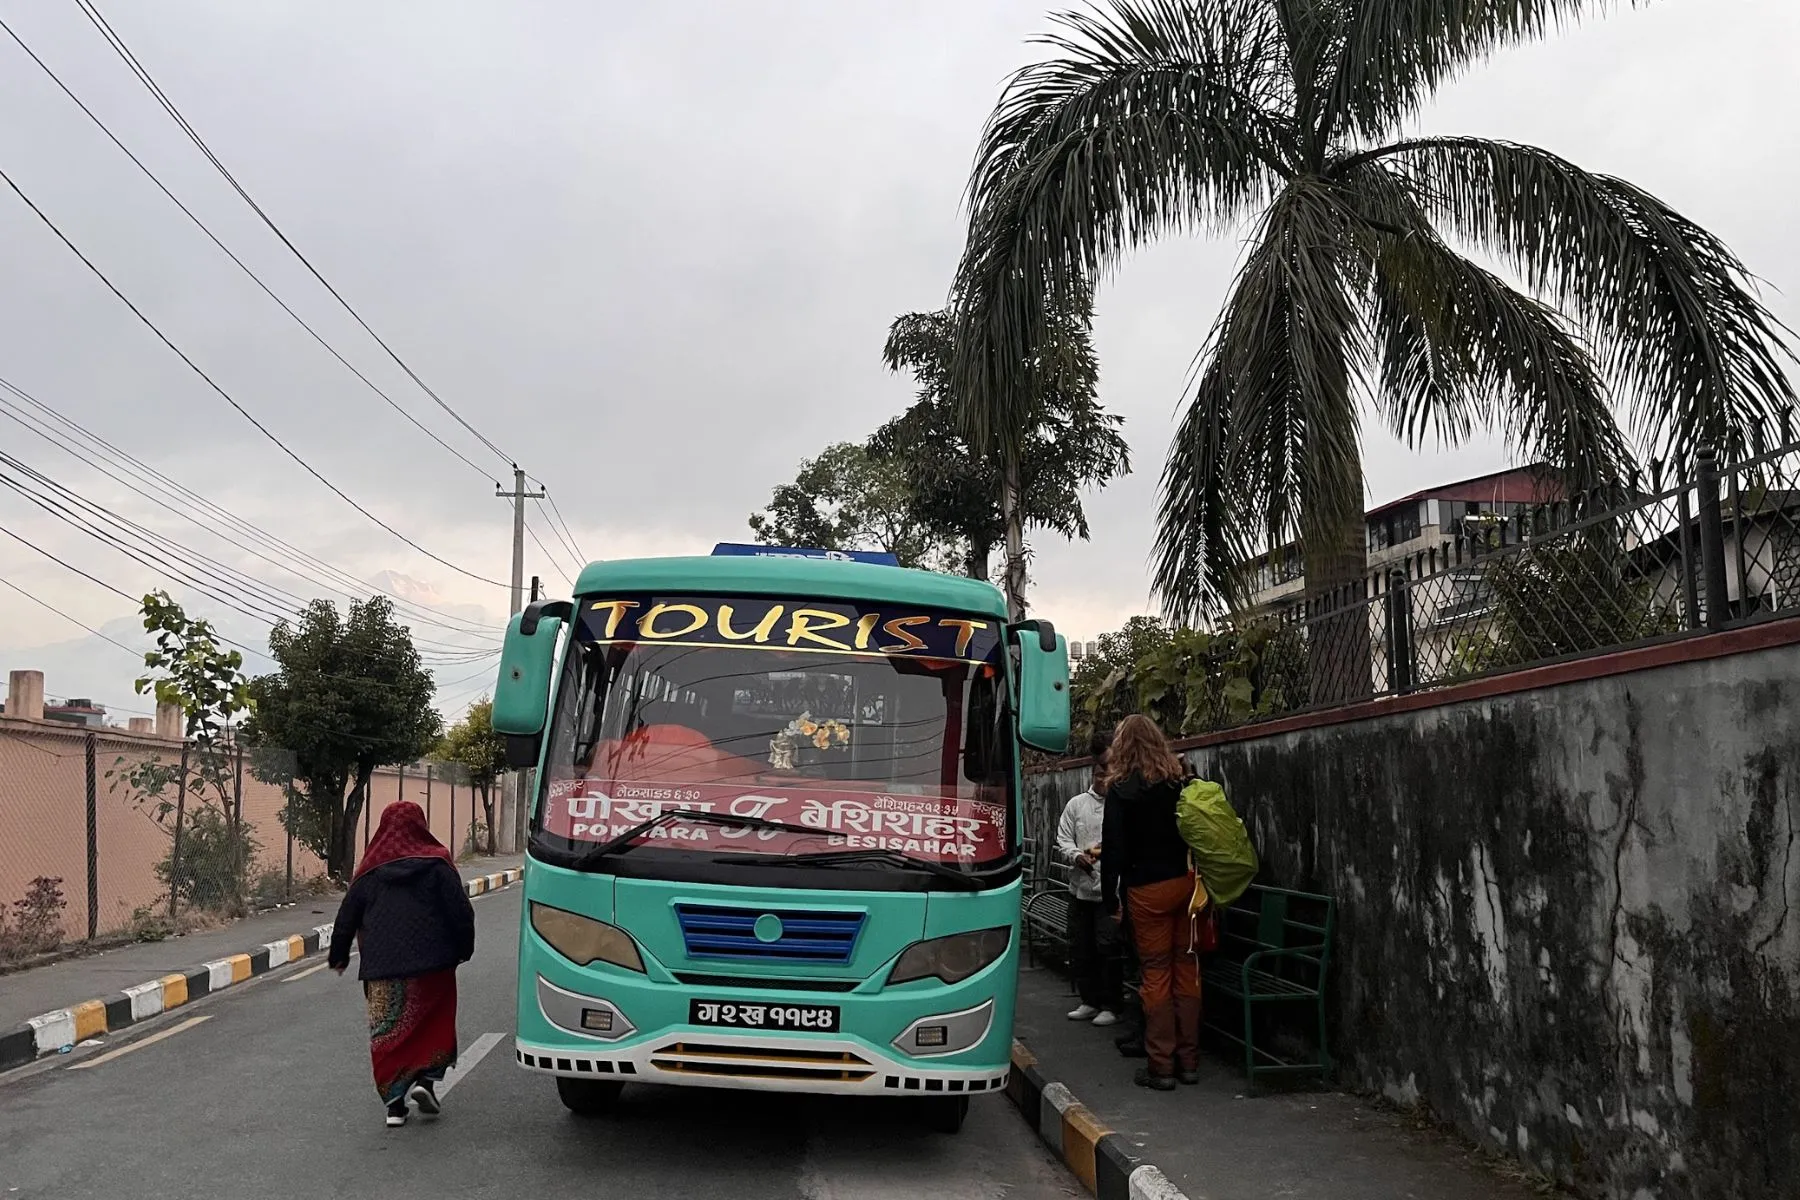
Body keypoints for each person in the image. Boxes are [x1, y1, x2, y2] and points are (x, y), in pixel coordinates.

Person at [328, 801, 476, 1127]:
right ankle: (425, 1082)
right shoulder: (437, 863)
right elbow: (460, 912)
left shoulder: (369, 871)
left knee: (388, 1032)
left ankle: (395, 1105)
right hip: (433, 966)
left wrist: (338, 957)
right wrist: (465, 948)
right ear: (421, 825)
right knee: (433, 1025)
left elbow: (346, 918)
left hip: (383, 968)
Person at [1100, 714, 1201, 1091]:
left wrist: (1112, 898)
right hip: (1186, 885)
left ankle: (1161, 1066)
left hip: (1146, 890)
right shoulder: (1179, 780)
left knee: (1156, 975)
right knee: (1187, 972)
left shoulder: (1123, 789)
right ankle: (1189, 1061)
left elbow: (1113, 850)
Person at [1054, 729, 1121, 1026]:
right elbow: (1062, 839)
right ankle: (1088, 1000)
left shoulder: (1121, 804)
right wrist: (1075, 856)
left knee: (1108, 948)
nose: (1102, 781)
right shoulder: (1076, 805)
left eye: (1106, 775)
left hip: (1111, 891)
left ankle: (1111, 1004)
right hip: (1079, 888)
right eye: (1097, 775)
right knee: (1081, 947)